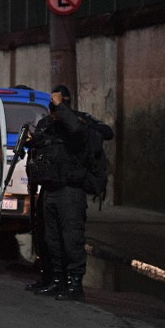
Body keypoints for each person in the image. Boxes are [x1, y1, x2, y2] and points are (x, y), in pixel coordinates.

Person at [24, 85, 113, 301]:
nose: (54, 110)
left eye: (58, 105)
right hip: (50, 189)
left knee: (71, 239)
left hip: (70, 190)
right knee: (51, 239)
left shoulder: (78, 122)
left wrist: (61, 107)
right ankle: (57, 280)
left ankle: (75, 284)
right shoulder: (48, 125)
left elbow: (82, 131)